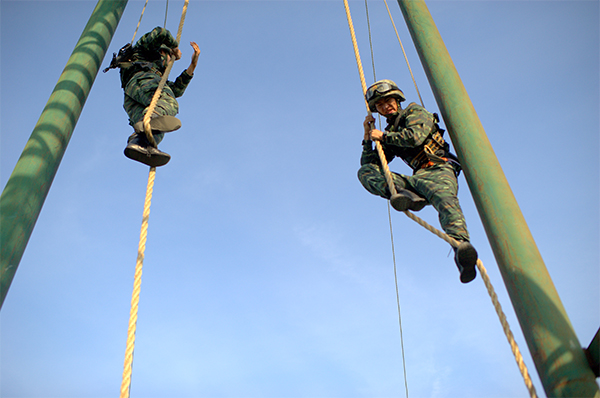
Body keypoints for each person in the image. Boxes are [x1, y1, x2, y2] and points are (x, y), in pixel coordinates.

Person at [358, 79, 478, 283]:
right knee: (366, 172)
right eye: (379, 104)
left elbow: (415, 137)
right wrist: (368, 136)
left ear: (397, 99)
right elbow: (372, 162)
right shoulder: (390, 132)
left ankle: (462, 251)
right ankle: (409, 196)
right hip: (417, 178)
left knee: (445, 202)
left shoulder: (414, 112)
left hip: (439, 169)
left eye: (388, 100)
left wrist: (384, 137)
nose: (385, 106)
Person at [106, 26, 200, 167]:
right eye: (170, 58)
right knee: (167, 103)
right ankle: (148, 125)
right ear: (163, 52)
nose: (170, 62)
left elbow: (176, 90)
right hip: (141, 81)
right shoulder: (145, 52)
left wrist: (192, 65)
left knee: (154, 127)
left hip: (133, 95)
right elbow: (160, 33)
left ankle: (139, 144)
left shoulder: (156, 73)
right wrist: (174, 47)